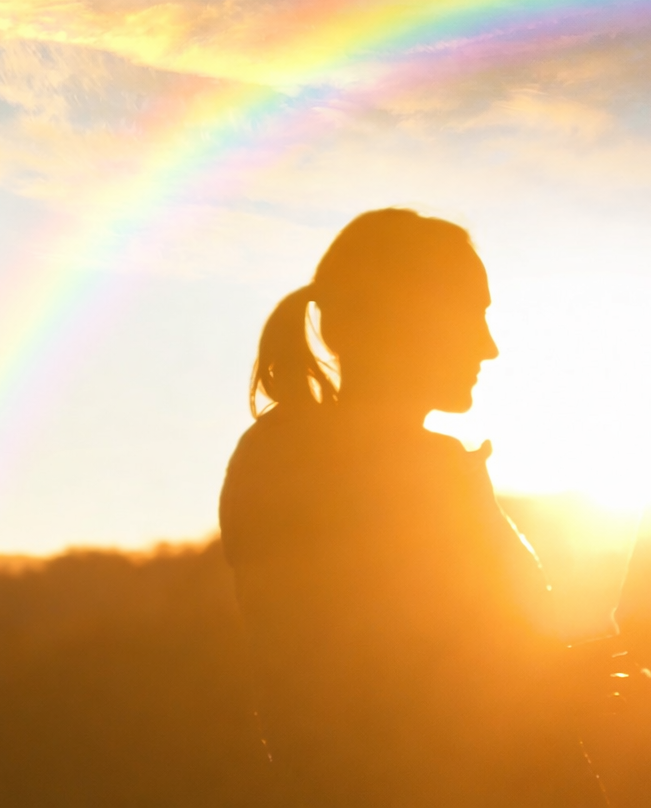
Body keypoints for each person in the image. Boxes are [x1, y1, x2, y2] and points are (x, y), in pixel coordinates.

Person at [219, 209, 605, 807]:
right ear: (405, 320)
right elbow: (398, 702)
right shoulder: (341, 471)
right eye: (471, 315)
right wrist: (561, 684)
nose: (490, 346)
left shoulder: (308, 458)